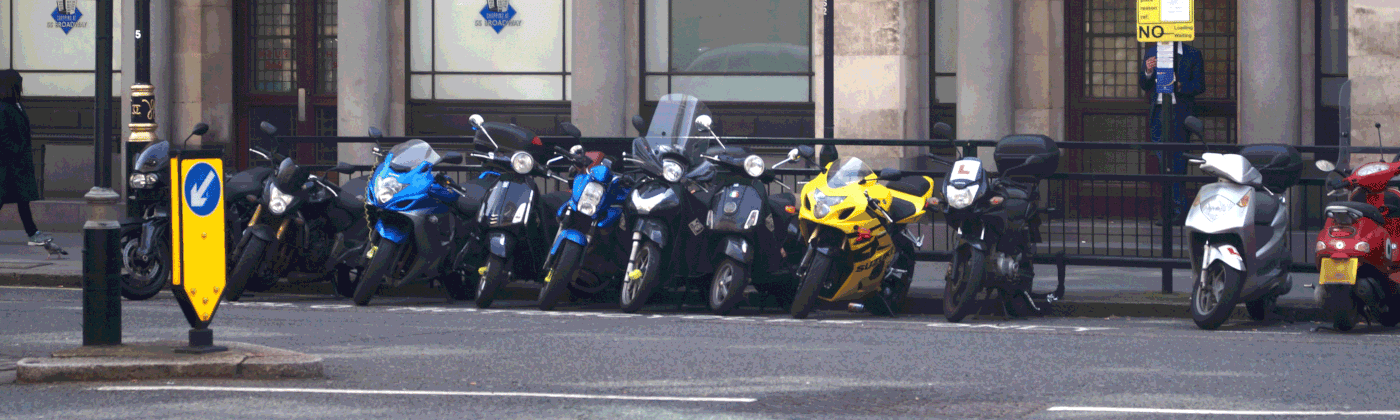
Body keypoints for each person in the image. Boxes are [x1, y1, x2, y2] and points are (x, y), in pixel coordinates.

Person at [1139, 42, 1205, 224]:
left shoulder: (1192, 53)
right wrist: (1148, 71)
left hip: (1179, 114)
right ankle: (1172, 210)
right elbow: (1144, 84)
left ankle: (1179, 211)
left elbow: (1200, 85)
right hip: (1159, 113)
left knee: (1177, 163)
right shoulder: (1152, 52)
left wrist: (1179, 83)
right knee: (1163, 162)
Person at [0, 69, 53, 246]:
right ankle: (32, 233)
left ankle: (33, 232)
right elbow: (4, 136)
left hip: (17, 163)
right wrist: (17, 152)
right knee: (12, 198)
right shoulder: (4, 107)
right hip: (8, 164)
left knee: (22, 199)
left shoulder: (16, 105)